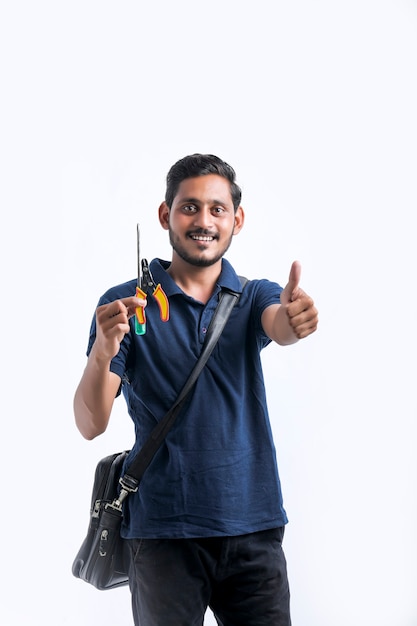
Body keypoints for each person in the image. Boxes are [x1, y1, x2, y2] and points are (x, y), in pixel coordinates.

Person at [73, 153, 318, 626]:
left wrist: (294, 318)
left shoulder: (253, 296)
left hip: (254, 529)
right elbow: (89, 424)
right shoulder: (125, 304)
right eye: (189, 207)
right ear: (166, 215)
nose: (203, 221)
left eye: (216, 209)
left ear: (236, 220)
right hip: (163, 535)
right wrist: (104, 351)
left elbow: (280, 323)